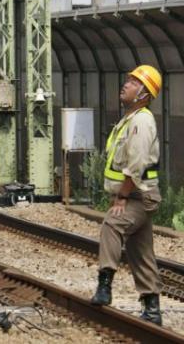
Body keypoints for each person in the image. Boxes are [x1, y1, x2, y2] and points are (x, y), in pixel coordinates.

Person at [90, 65, 163, 326]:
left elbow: (137, 165)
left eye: (133, 82)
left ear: (144, 93)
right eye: (129, 80)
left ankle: (104, 285)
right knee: (140, 250)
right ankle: (152, 309)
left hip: (138, 197)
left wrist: (121, 197)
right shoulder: (129, 120)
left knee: (112, 224)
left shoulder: (141, 121)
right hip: (136, 195)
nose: (126, 84)